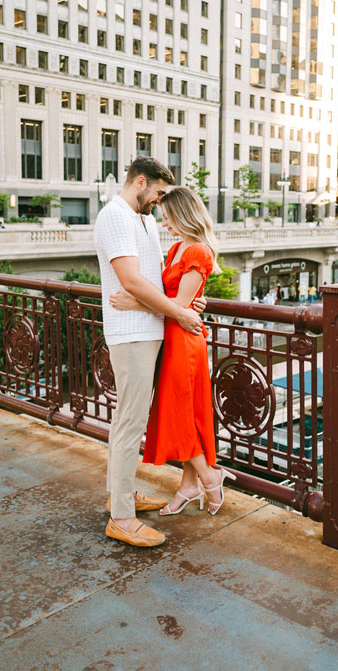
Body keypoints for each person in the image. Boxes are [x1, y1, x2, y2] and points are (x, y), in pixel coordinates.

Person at [95, 157, 203, 548]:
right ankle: (121, 517)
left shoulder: (144, 219)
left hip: (150, 329)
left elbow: (152, 280)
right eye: (157, 194)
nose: (159, 202)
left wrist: (183, 304)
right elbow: (131, 280)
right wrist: (178, 311)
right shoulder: (115, 216)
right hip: (131, 335)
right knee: (130, 422)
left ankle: (120, 495)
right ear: (140, 182)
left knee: (129, 420)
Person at [111, 186, 234, 518]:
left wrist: (132, 301)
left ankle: (210, 476)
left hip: (185, 341)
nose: (164, 223)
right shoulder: (179, 247)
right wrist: (193, 300)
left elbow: (179, 305)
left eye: (168, 217)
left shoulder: (199, 252)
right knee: (185, 413)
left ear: (183, 214)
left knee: (179, 413)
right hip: (172, 336)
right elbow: (178, 296)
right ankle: (189, 486)